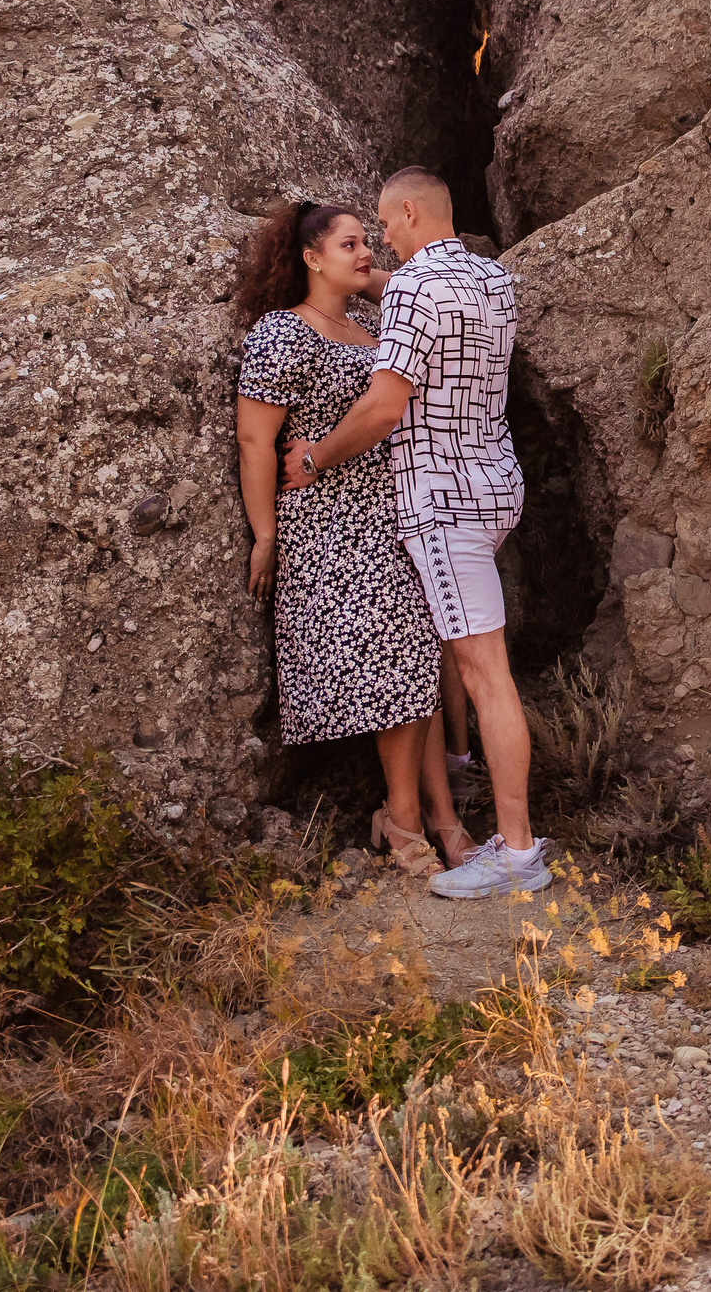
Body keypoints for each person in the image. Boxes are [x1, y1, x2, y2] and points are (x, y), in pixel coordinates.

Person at [280, 166, 544, 898]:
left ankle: (518, 853)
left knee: (484, 672)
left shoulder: (418, 290)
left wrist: (317, 455)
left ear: (406, 211)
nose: (381, 242)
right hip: (496, 488)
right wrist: (366, 286)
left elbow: (385, 408)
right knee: (457, 656)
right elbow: (403, 293)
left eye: (384, 227)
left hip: (443, 503)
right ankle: (452, 778)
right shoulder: (491, 281)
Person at [233, 199, 471, 875]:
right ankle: (405, 823)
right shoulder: (283, 332)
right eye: (348, 244)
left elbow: (422, 292)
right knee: (400, 657)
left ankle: (410, 820)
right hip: (330, 526)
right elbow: (255, 439)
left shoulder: (374, 327)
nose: (366, 252)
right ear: (310, 256)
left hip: (393, 514)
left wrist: (365, 276)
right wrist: (264, 534)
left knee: (418, 660)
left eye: (369, 241)